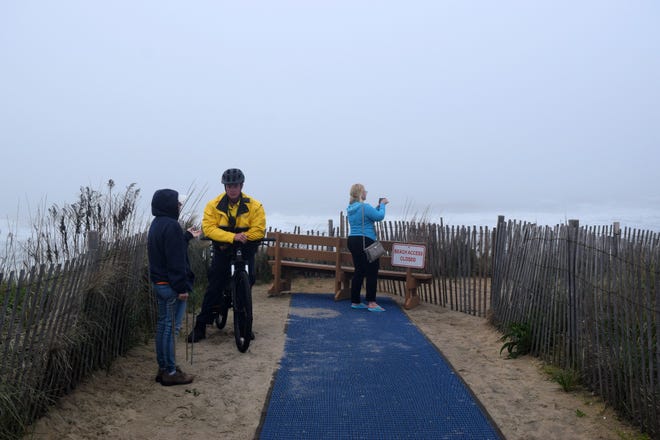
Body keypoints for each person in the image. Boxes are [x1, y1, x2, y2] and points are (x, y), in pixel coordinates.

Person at [188, 168, 266, 343]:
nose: (232, 189)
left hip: (245, 249)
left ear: (241, 186)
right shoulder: (213, 205)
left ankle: (245, 325)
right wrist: (232, 237)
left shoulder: (255, 206)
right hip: (223, 249)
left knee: (250, 278)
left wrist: (245, 237)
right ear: (225, 187)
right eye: (229, 185)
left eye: (235, 185)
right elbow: (208, 228)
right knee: (215, 283)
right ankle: (200, 327)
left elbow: (259, 229)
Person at [148, 189, 201, 386]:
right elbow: (175, 262)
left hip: (160, 285)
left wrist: (186, 237)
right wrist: (182, 289)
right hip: (171, 288)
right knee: (171, 329)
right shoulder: (171, 226)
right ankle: (170, 372)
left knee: (163, 327)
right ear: (169, 205)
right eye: (178, 204)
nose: (180, 206)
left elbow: (169, 248)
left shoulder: (157, 224)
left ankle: (163, 368)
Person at [346, 183, 389, 312]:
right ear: (360, 193)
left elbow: (367, 217)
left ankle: (355, 301)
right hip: (366, 241)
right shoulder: (365, 207)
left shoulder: (350, 208)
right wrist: (382, 205)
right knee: (372, 271)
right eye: (365, 191)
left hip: (353, 240)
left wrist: (376, 208)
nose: (366, 193)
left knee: (359, 270)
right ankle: (371, 302)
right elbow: (379, 216)